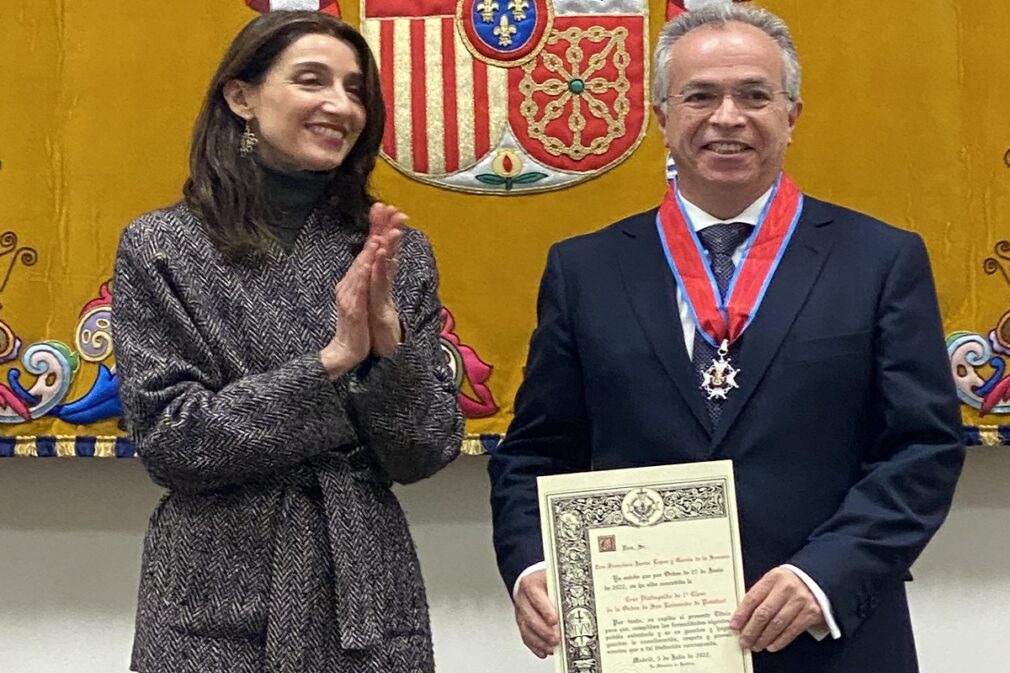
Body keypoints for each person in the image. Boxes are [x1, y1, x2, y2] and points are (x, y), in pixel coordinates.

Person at [488, 5, 964, 673]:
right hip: (645, 646)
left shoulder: (879, 259)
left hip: (835, 640)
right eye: (701, 95)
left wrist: (824, 575)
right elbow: (535, 450)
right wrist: (534, 561)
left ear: (791, 114)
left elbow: (923, 446)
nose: (728, 116)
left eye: (754, 94)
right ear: (662, 116)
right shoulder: (585, 269)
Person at [112, 11, 462, 673]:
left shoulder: (396, 253)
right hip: (211, 591)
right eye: (312, 80)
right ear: (240, 96)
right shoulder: (162, 248)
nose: (340, 104)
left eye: (356, 89)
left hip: (364, 586)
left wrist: (389, 348)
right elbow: (172, 442)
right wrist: (331, 362)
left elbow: (423, 451)